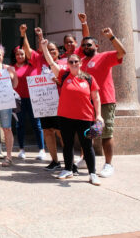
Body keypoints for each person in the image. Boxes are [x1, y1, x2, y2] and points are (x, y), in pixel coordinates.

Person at [40, 39, 103, 185]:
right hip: (65, 117)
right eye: (71, 62)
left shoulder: (88, 78)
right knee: (67, 144)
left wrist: (98, 115)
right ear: (68, 64)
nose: (74, 64)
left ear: (81, 63)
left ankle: (92, 173)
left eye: (76, 62)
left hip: (84, 117)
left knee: (87, 146)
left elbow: (96, 98)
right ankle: (68, 169)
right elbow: (51, 63)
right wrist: (44, 47)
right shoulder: (63, 75)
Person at [79, 26, 126, 179]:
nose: (86, 47)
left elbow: (122, 53)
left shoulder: (105, 56)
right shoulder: (81, 62)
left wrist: (112, 37)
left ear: (96, 46)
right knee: (87, 133)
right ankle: (86, 159)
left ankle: (108, 164)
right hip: (87, 103)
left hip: (105, 101)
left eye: (89, 45)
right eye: (84, 45)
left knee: (106, 133)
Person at [22, 26, 67, 171]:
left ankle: (68, 160)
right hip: (44, 103)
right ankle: (55, 161)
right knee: (47, 131)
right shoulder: (39, 60)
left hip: (60, 104)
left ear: (58, 52)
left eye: (53, 49)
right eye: (48, 49)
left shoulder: (64, 64)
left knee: (62, 133)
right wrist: (25, 34)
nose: (51, 51)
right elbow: (27, 50)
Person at [12, 33, 46, 161]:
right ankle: (21, 149)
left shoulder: (33, 64)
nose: (20, 56)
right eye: (17, 54)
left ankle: (41, 149)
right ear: (14, 56)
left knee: (36, 124)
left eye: (22, 53)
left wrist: (36, 36)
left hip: (33, 98)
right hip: (18, 100)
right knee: (19, 125)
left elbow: (40, 50)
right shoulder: (11, 68)